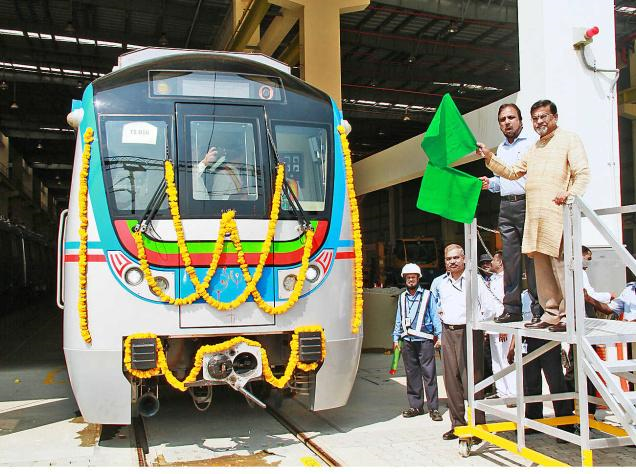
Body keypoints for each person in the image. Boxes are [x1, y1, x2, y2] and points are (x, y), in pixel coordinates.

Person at [477, 99, 591, 332]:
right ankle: (550, 313)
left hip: (557, 213)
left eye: (544, 117)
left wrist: (570, 195)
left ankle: (569, 314)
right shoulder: (535, 147)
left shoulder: (569, 139)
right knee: (540, 267)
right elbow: (512, 172)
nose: (539, 121)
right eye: (536, 118)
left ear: (555, 117)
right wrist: (489, 156)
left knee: (560, 265)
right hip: (534, 214)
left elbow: (582, 173)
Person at [478, 104, 541, 324]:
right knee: (510, 261)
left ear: (521, 121)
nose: (507, 122)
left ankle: (538, 309)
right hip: (506, 207)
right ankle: (512, 309)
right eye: (503, 119)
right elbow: (506, 179)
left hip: (527, 204)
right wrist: (491, 183)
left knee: (531, 260)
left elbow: (521, 176)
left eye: (511, 117)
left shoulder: (532, 145)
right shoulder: (502, 149)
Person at [431, 244, 497, 442]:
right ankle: (458, 425)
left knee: (473, 380)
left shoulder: (474, 280)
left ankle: (478, 427)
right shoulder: (441, 283)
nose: (452, 262)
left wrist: (479, 325)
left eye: (456, 258)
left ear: (465, 258)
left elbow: (490, 308)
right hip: (448, 332)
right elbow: (438, 306)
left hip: (469, 332)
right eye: (448, 259)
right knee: (451, 381)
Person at [392, 263, 443, 421]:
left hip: (425, 340)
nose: (411, 280)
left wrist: (440, 336)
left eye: (413, 277)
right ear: (404, 279)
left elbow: (435, 317)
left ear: (418, 278)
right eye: (408, 277)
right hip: (407, 340)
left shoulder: (428, 296)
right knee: (412, 374)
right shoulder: (402, 297)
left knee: (429, 375)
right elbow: (399, 319)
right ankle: (415, 406)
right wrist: (395, 338)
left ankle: (433, 408)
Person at [485, 251, 517, 406]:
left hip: (503, 325)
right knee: (496, 360)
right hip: (493, 325)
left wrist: (505, 327)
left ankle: (512, 393)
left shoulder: (506, 279)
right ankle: (501, 391)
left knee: (506, 359)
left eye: (494, 260)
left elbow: (507, 302)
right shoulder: (492, 279)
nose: (491, 262)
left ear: (501, 262)